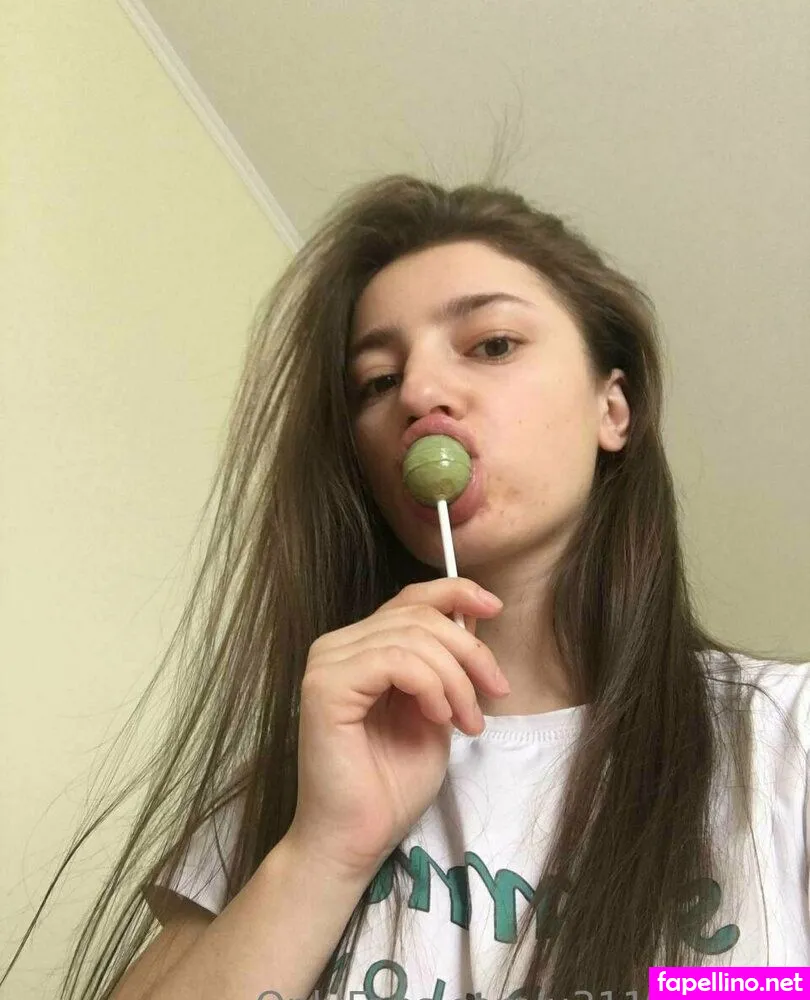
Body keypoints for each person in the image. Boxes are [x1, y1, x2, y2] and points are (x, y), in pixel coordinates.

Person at [3, 171, 808, 1000]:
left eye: (492, 345)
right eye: (378, 382)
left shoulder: (787, 737)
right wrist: (323, 852)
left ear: (613, 409)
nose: (419, 394)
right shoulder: (312, 772)